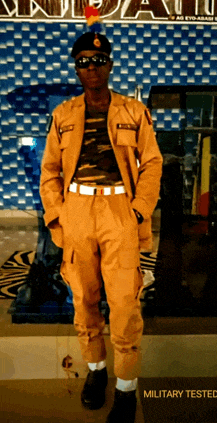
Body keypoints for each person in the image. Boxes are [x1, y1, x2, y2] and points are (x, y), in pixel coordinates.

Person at [40, 32, 163, 423]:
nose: (90, 68)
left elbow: (152, 164)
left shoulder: (133, 111)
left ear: (109, 64)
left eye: (97, 60)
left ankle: (126, 387)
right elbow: (50, 172)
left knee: (125, 304)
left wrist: (140, 210)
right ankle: (96, 372)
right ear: (76, 69)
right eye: (82, 62)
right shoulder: (63, 115)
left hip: (119, 211)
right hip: (77, 210)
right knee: (84, 300)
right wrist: (58, 215)